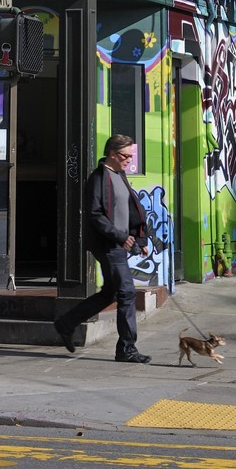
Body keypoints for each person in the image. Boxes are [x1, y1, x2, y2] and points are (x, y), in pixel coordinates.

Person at [54, 132, 150, 364]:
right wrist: (120, 236)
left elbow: (131, 210)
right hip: (108, 245)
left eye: (131, 156)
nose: (130, 160)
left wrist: (140, 240)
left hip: (119, 243)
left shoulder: (120, 175)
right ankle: (126, 349)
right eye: (126, 156)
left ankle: (66, 324)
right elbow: (95, 215)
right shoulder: (98, 178)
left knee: (112, 293)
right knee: (126, 293)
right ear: (113, 154)